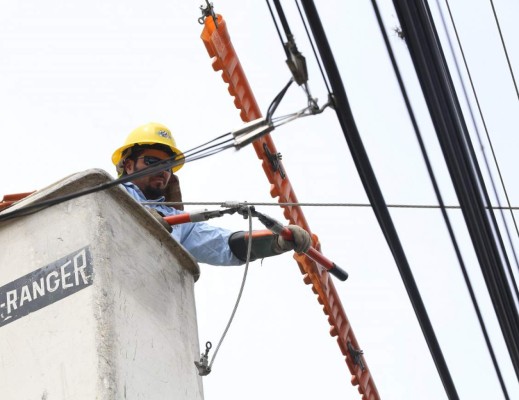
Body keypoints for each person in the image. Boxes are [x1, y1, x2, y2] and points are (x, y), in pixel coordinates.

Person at [111, 122, 311, 266]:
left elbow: (220, 243)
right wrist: (140, 220)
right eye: (152, 162)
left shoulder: (177, 222)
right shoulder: (110, 191)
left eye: (169, 166)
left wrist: (275, 241)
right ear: (128, 166)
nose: (163, 171)